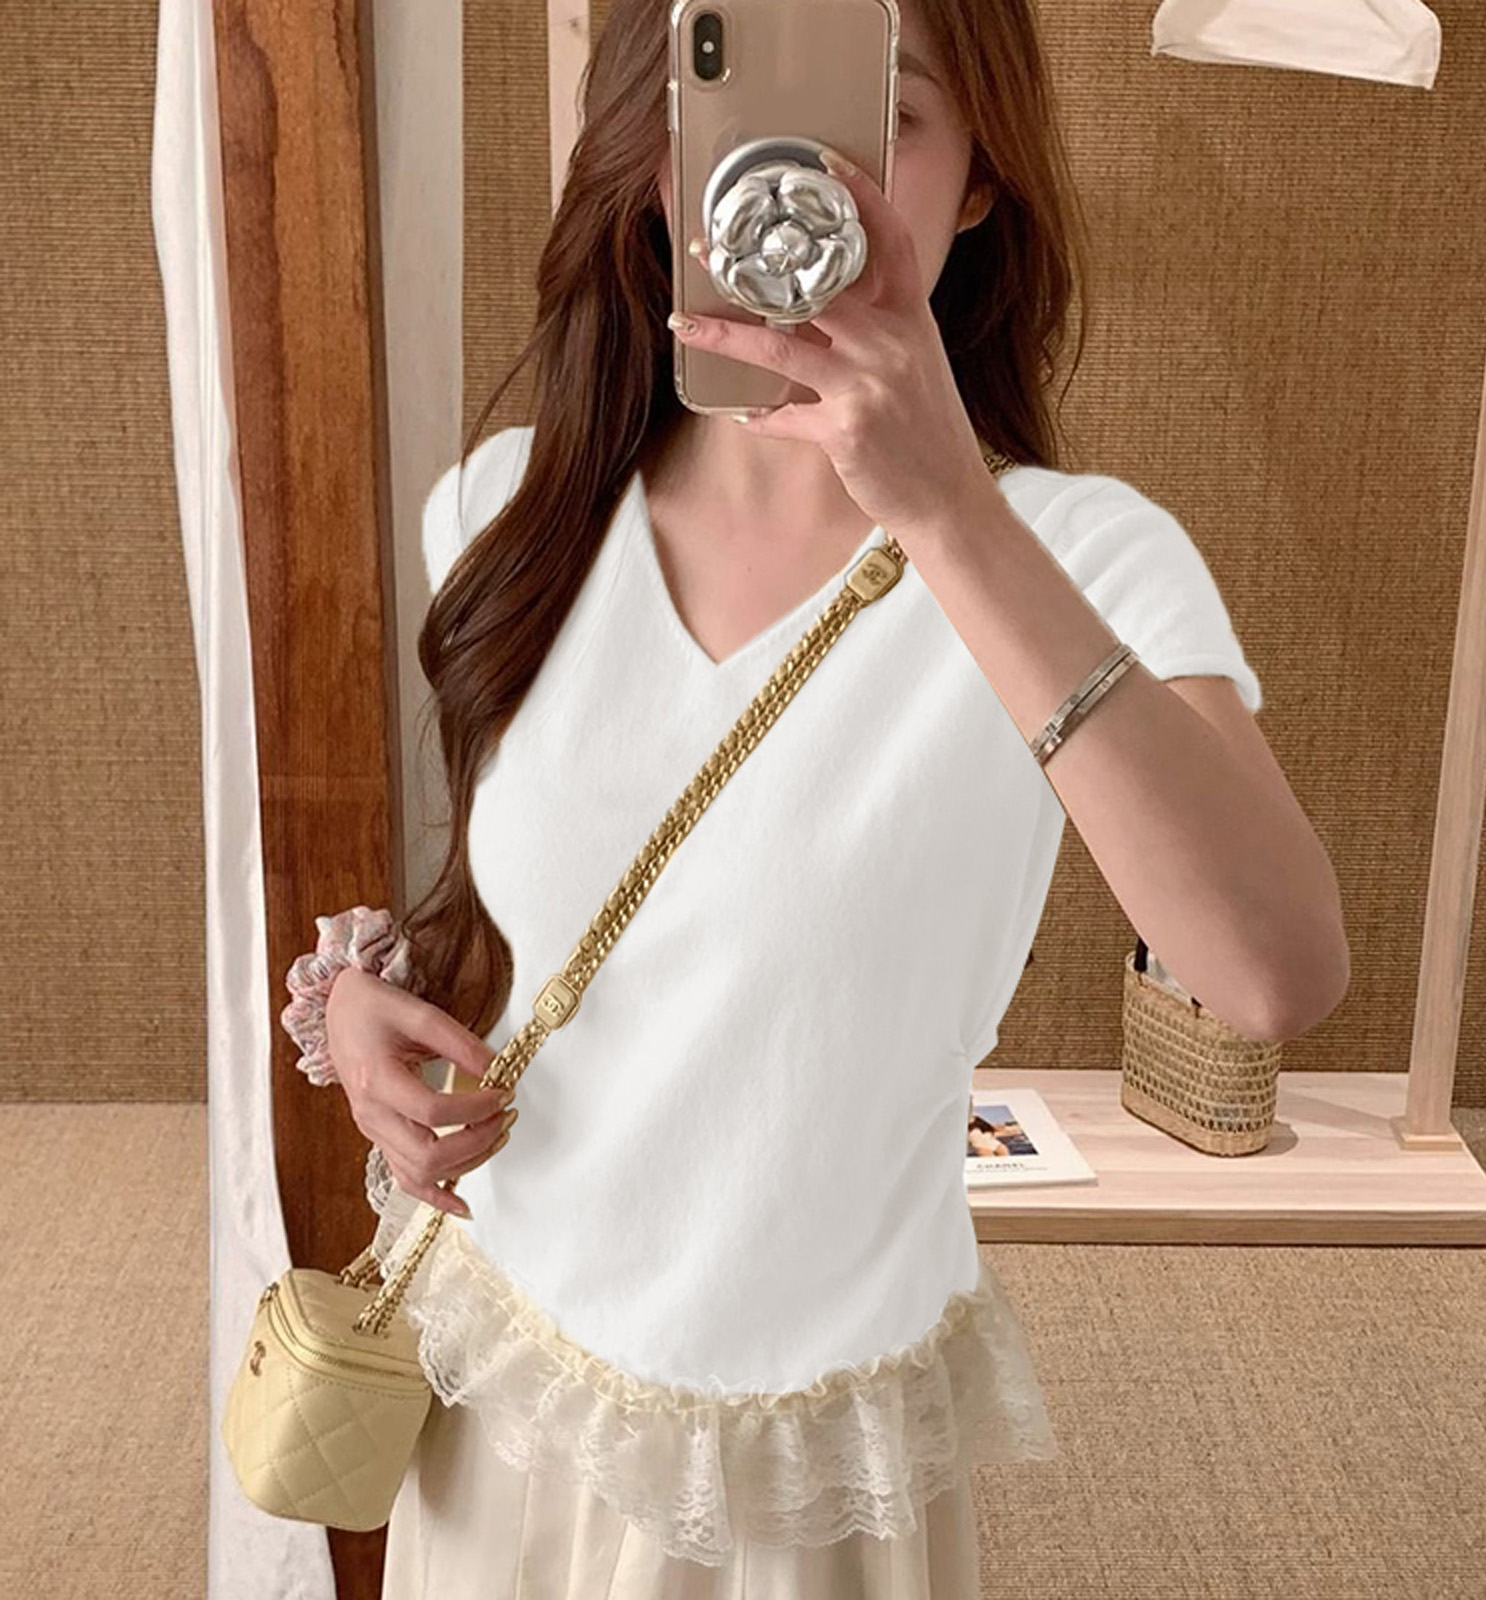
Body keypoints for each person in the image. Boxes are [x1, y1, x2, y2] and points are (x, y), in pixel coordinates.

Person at [315, 0, 1285, 1593]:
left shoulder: (1090, 561)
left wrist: (947, 511)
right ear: (654, 157)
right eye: (740, 102)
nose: (800, 179)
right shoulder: (506, 510)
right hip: (514, 1387)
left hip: (807, 1461)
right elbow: (535, 910)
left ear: (982, 176)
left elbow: (1267, 974)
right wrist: (369, 1014)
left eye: (885, 116)